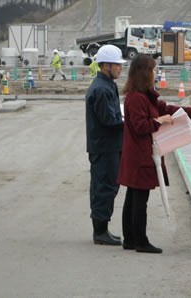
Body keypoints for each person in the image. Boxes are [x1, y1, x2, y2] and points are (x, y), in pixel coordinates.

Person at [117, 55, 191, 254]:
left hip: (139, 154)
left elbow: (166, 108)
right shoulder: (136, 98)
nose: (155, 73)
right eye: (152, 70)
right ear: (144, 73)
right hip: (139, 155)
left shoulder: (145, 96)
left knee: (134, 196)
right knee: (138, 198)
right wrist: (160, 121)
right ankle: (139, 241)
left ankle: (130, 239)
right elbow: (141, 126)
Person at [85, 45, 125, 246]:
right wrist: (132, 123)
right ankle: (100, 232)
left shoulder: (107, 84)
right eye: (117, 65)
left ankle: (103, 228)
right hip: (104, 146)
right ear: (106, 65)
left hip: (109, 145)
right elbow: (109, 120)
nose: (120, 68)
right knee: (104, 186)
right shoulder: (101, 89)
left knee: (108, 184)